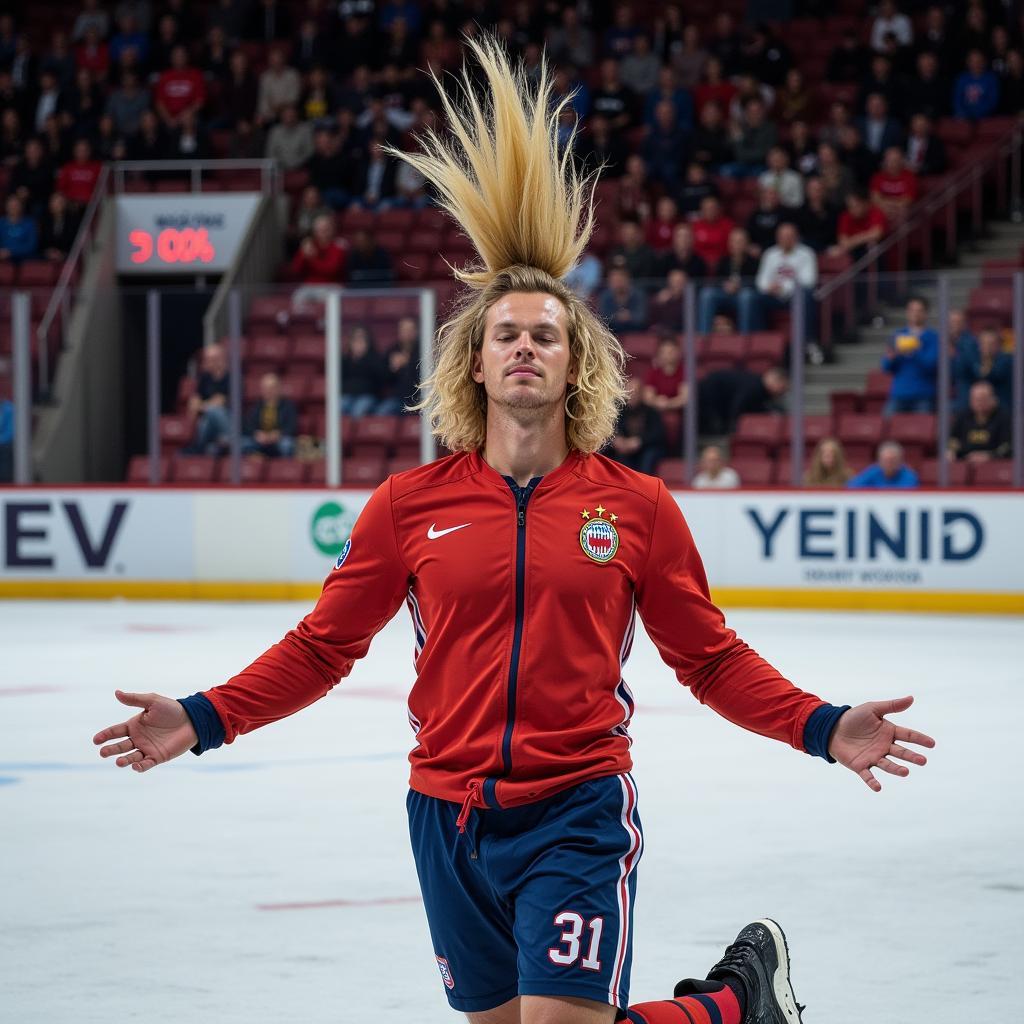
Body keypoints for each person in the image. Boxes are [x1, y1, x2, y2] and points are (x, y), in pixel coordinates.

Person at [92, 37, 934, 1024]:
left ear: (576, 366)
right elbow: (324, 647)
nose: (526, 345)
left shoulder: (637, 508)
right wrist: (200, 717)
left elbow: (707, 659)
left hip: (576, 808)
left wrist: (824, 726)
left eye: (546, 333)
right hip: (442, 816)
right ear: (476, 366)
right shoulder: (408, 505)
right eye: (507, 334)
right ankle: (733, 1008)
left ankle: (731, 1007)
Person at [745, 223, 817, 336]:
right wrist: (768, 287)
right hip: (773, 296)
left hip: (795, 297)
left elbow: (809, 281)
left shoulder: (806, 253)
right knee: (752, 298)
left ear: (796, 237)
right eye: (782, 236)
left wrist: (783, 288)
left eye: (789, 236)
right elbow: (761, 280)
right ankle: (760, 340)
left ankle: (807, 342)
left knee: (807, 295)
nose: (786, 239)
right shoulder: (770, 254)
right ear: (777, 237)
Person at [882, 298, 938, 414]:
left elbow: (931, 365)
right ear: (907, 312)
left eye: (919, 310)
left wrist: (915, 350)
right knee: (887, 426)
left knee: (921, 430)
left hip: (923, 395)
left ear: (926, 313)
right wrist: (892, 357)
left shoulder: (933, 337)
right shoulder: (897, 335)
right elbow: (886, 367)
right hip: (899, 393)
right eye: (912, 310)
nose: (915, 314)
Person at [698, 227, 758, 333]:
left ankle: (744, 337)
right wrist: (724, 285)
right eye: (733, 241)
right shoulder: (723, 261)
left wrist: (740, 286)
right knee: (707, 294)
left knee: (746, 296)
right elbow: (716, 281)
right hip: (725, 294)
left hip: (743, 295)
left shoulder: (753, 262)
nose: (736, 244)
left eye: (740, 241)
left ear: (746, 243)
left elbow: (757, 283)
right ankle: (703, 335)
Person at [698, 366, 789, 434]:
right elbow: (739, 404)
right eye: (782, 387)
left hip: (716, 397)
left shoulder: (758, 386)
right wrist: (734, 426)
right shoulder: (755, 386)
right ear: (775, 380)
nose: (782, 392)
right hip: (709, 394)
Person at [606, 376, 666, 475]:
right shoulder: (619, 410)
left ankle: (645, 486)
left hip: (646, 447)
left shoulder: (651, 411)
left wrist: (639, 441)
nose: (632, 395)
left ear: (641, 394)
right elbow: (611, 428)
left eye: (635, 392)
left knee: (649, 456)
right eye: (629, 392)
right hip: (625, 447)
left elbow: (658, 434)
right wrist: (616, 440)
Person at [947, 381, 1011, 463]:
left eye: (982, 399)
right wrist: (951, 451)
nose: (978, 403)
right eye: (975, 399)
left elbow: (1007, 446)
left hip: (994, 464)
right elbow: (952, 439)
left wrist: (990, 456)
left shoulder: (1004, 418)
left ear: (993, 399)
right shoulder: (962, 416)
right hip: (965, 461)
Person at [186, 343, 232, 455]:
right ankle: (208, 447)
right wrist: (206, 405)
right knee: (206, 419)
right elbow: (193, 403)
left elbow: (220, 403)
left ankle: (228, 440)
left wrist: (203, 406)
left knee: (214, 412)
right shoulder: (205, 378)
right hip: (210, 423)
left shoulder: (231, 377)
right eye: (206, 359)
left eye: (209, 359)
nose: (205, 363)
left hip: (229, 420)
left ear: (220, 359)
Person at [952, 326, 1013, 411]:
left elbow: (993, 375)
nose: (987, 347)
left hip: (1000, 411)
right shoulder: (969, 361)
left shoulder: (1007, 361)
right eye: (984, 343)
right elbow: (962, 380)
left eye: (991, 344)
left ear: (999, 345)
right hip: (972, 411)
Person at [242, 373, 298, 458]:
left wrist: (278, 434)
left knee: (287, 445)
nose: (268, 391)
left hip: (279, 439)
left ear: (279, 388)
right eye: (265, 388)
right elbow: (248, 426)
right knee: (241, 444)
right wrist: (257, 434)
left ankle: (284, 467)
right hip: (260, 440)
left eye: (271, 388)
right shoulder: (257, 406)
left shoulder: (288, 406)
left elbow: (292, 426)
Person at [379, 315, 420, 415]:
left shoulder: (423, 349)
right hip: (397, 399)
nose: (407, 333)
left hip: (419, 398)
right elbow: (382, 378)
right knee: (382, 412)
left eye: (410, 330)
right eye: (404, 330)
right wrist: (392, 368)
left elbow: (424, 375)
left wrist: (409, 362)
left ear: (416, 331)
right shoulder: (392, 350)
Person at [290, 213, 347, 284]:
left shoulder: (339, 245)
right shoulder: (309, 244)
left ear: (332, 230)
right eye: (320, 229)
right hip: (310, 285)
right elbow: (295, 269)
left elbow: (331, 270)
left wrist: (312, 258)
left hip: (332, 285)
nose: (323, 233)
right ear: (314, 231)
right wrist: (303, 254)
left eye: (326, 229)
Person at [642, 336, 687, 413]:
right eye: (664, 352)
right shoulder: (654, 371)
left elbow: (685, 398)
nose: (667, 356)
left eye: (671, 352)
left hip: (681, 412)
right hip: (656, 411)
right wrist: (656, 401)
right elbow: (647, 397)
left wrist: (668, 404)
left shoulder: (684, 371)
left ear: (678, 352)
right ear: (659, 353)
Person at [847, 441, 919, 488]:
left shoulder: (909, 476)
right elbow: (852, 487)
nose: (889, 464)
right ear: (879, 460)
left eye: (892, 460)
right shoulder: (873, 471)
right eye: (885, 460)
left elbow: (906, 495)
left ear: (900, 460)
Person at [598, 266, 648, 333]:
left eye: (620, 280)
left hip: (635, 331)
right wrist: (617, 316)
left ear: (627, 280)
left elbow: (642, 317)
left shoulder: (638, 295)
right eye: (614, 281)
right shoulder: (605, 296)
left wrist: (629, 316)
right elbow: (603, 317)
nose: (617, 284)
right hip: (612, 332)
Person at [954, 50, 1000, 121]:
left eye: (979, 61)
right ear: (968, 63)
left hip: (986, 118)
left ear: (984, 62)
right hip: (964, 119)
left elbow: (992, 101)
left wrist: (977, 114)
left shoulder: (991, 79)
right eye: (973, 61)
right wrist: (963, 114)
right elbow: (957, 100)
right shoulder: (962, 79)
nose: (976, 64)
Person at [0, 194, 38, 263]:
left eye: (16, 205)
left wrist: (11, 252)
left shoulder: (29, 223)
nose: (13, 208)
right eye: (11, 205)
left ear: (21, 207)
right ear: (6, 207)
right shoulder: (1, 223)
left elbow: (31, 246)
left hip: (25, 260)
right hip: (3, 261)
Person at [0, 396, 12, 482]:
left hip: (5, 444)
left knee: (5, 449)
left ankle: (4, 481)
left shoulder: (10, 409)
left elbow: (10, 433)